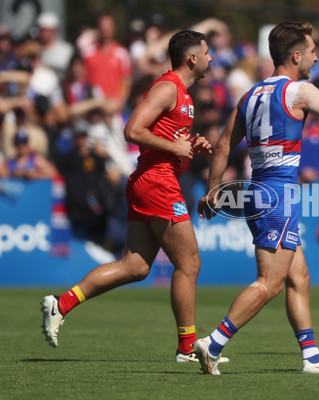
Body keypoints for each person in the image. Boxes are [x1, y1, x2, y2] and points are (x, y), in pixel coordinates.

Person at [195, 21, 319, 375]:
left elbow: (225, 143)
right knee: (269, 283)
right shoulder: (300, 91)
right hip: (278, 195)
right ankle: (213, 342)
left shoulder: (251, 94)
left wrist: (214, 189)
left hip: (259, 189)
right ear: (295, 55)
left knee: (298, 277)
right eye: (312, 51)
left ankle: (312, 358)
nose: (316, 57)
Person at [41, 30, 213, 363]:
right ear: (192, 58)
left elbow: (165, 138)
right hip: (157, 182)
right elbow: (132, 130)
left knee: (134, 266)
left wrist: (191, 146)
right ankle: (187, 348)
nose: (210, 58)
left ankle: (60, 305)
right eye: (206, 52)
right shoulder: (167, 89)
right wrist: (175, 147)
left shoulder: (182, 94)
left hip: (151, 180)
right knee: (189, 263)